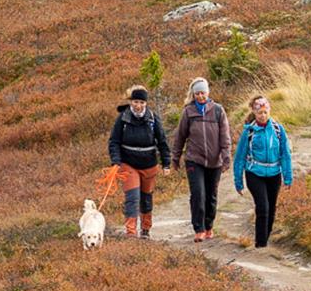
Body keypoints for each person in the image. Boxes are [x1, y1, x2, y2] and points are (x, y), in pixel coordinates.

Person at [172, 77, 232, 242]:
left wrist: (226, 157)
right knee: (198, 194)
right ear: (193, 94)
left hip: (215, 161)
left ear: (208, 92)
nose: (201, 96)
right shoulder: (188, 112)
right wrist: (175, 158)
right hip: (194, 160)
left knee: (211, 195)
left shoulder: (218, 111)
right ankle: (199, 229)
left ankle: (209, 226)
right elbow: (180, 136)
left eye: (203, 93)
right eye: (197, 93)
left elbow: (225, 137)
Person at [107, 86, 171, 239]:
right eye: (135, 101)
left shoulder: (153, 119)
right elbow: (114, 141)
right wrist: (116, 161)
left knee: (146, 198)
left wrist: (166, 163)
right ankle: (130, 232)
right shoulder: (123, 119)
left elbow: (162, 142)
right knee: (132, 197)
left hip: (149, 164)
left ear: (146, 103)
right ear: (131, 102)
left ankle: (145, 229)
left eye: (142, 102)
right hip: (128, 164)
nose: (138, 105)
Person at [234, 94, 295, 249]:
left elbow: (285, 155)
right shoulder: (249, 132)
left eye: (265, 112)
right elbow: (240, 157)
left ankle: (265, 240)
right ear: (254, 113)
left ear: (269, 111)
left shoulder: (278, 129)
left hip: (274, 174)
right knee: (262, 206)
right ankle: (260, 244)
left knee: (271, 208)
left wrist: (288, 178)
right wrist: (238, 181)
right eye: (260, 112)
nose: (263, 115)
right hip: (254, 173)